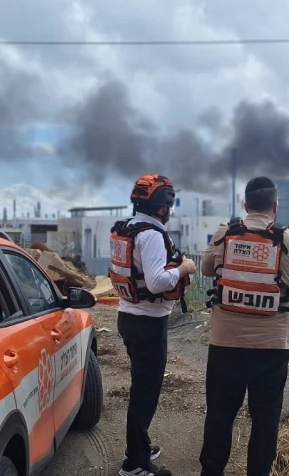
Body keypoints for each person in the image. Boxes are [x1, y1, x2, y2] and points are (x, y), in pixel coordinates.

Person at [199, 176, 289, 476]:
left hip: (225, 345)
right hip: (272, 350)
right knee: (265, 421)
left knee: (219, 416)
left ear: (245, 205)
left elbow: (205, 269)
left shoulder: (225, 235)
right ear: (275, 207)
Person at [109, 173, 198, 476]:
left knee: (141, 386)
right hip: (148, 323)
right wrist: (185, 267)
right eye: (169, 204)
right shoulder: (151, 235)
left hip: (129, 316)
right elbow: (157, 281)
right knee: (145, 393)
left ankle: (139, 444)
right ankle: (135, 464)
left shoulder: (129, 228)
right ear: (163, 206)